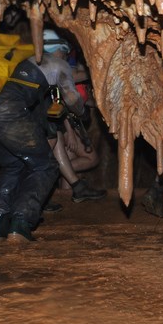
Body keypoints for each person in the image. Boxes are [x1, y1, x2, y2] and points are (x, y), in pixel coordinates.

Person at [0, 28, 104, 242]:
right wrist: (82, 112)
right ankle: (20, 224)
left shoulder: (17, 60)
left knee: (13, 165)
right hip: (5, 110)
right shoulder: (57, 64)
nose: (66, 57)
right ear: (61, 50)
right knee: (45, 165)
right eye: (66, 53)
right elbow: (73, 102)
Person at [43, 31, 106, 204]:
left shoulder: (52, 66)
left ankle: (67, 193)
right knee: (90, 158)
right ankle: (60, 179)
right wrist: (69, 131)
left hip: (63, 123)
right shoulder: (55, 68)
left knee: (69, 158)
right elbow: (60, 99)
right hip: (60, 123)